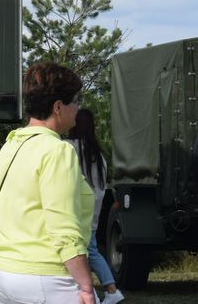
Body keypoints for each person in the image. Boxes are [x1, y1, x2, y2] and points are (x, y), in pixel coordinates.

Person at [0, 62, 95, 304]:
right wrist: (85, 284)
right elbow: (62, 225)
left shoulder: (10, 146)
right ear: (58, 107)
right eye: (75, 101)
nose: (78, 108)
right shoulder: (57, 151)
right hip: (42, 275)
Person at [68, 109, 125, 304]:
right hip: (94, 209)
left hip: (78, 211)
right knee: (90, 250)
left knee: (86, 251)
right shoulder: (98, 154)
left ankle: (110, 290)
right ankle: (107, 290)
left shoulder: (70, 147)